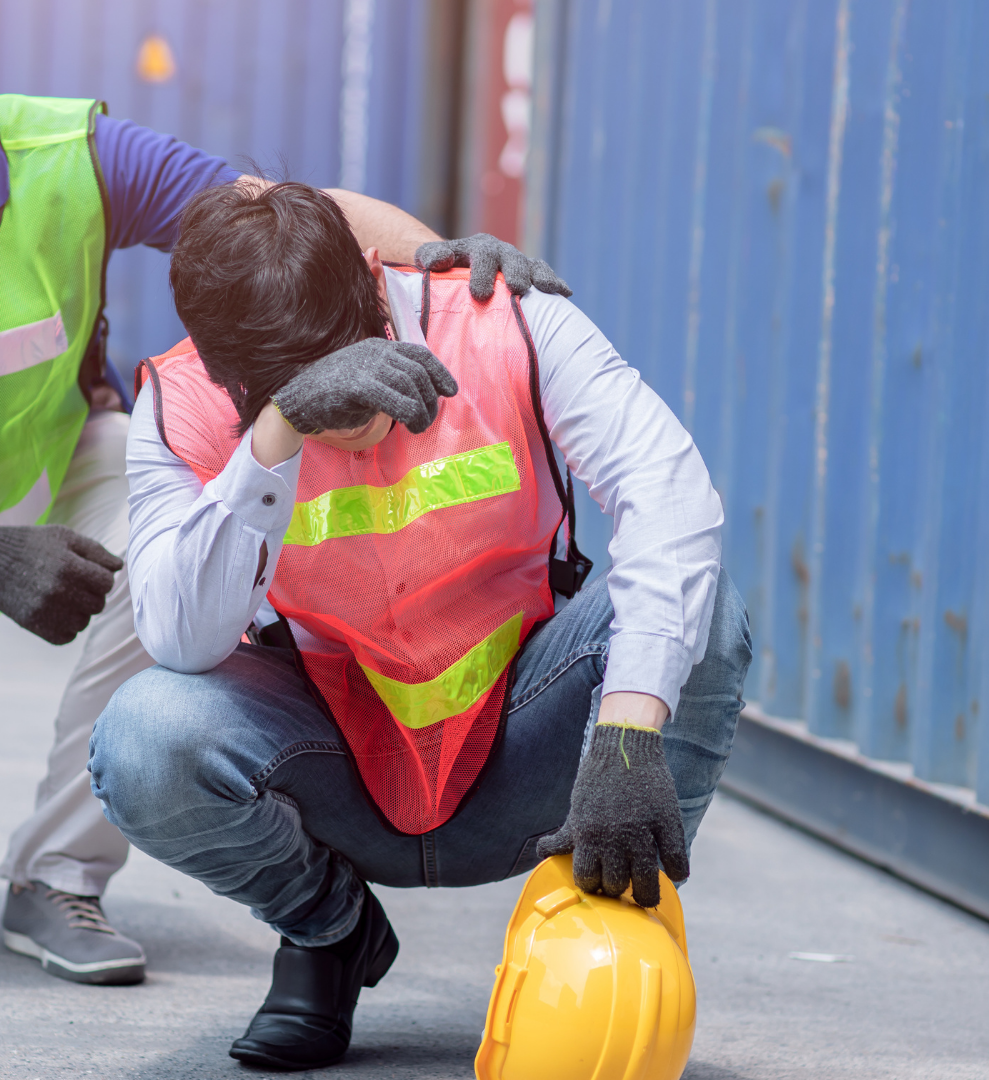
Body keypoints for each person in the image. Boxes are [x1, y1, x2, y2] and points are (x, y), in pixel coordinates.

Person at [0, 0, 562, 983]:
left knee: (172, 558)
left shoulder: (71, 153)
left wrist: (435, 258)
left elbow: (286, 212)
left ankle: (59, 871)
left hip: (55, 459)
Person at [89, 180, 753, 1068]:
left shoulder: (502, 322)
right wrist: (276, 435)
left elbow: (669, 492)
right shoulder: (187, 407)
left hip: (526, 750)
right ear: (229, 376)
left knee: (705, 616)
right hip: (342, 772)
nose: (347, 406)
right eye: (287, 384)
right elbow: (181, 639)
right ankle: (329, 933)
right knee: (145, 737)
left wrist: (629, 732)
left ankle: (601, 926)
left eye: (344, 348)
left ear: (375, 287)